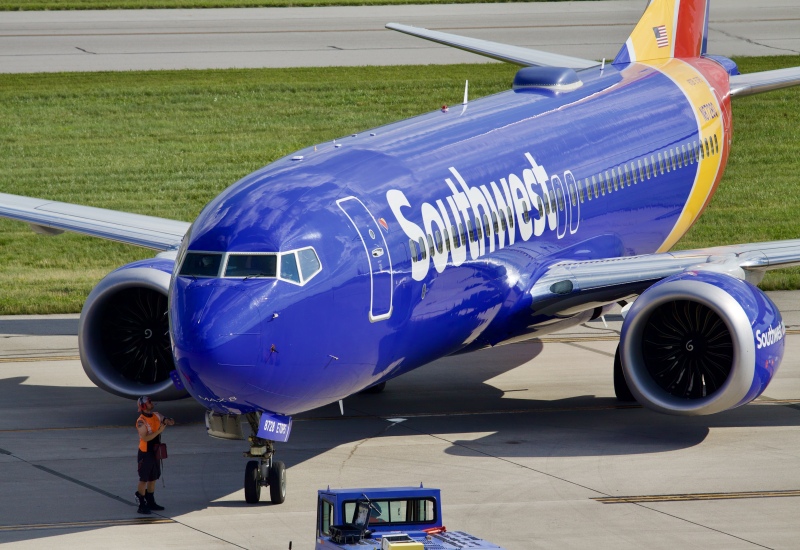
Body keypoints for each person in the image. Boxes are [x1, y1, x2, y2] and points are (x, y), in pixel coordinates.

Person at [135, 395, 175, 514]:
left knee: (153, 478)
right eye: (149, 402)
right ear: (143, 406)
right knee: (144, 479)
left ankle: (151, 501)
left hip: (155, 452)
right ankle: (142, 504)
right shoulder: (141, 422)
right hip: (145, 453)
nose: (151, 403)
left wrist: (169, 420)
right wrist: (159, 431)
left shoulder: (156, 415)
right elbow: (146, 438)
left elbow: (165, 419)